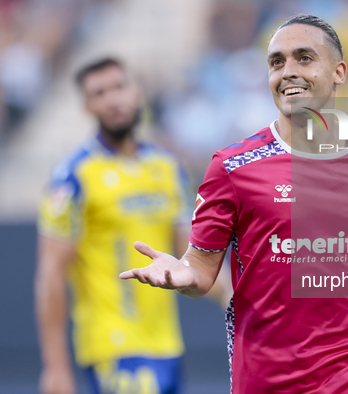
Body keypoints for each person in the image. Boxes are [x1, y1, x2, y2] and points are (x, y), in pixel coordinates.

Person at [121, 15, 348, 393]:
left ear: (338, 71)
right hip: (269, 373)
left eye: (304, 58)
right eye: (277, 62)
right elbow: (201, 270)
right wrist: (183, 277)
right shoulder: (232, 167)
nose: (288, 71)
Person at [35, 58, 230, 394]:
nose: (113, 99)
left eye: (119, 87)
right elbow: (51, 274)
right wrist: (56, 368)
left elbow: (195, 257)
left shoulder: (168, 168)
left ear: (137, 92)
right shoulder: (72, 178)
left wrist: (237, 298)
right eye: (99, 93)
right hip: (113, 346)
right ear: (86, 106)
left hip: (167, 345)